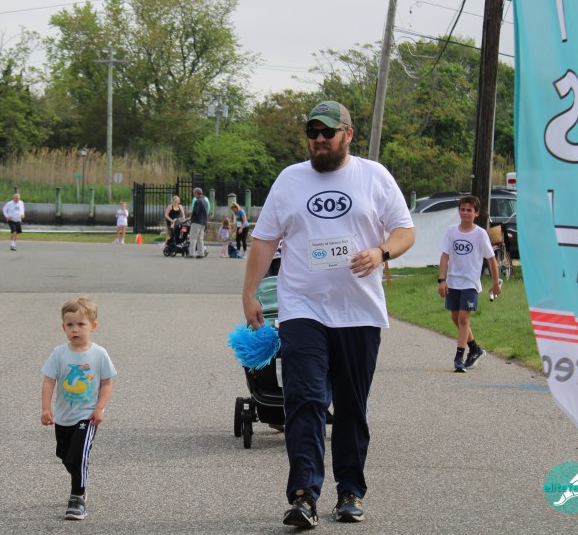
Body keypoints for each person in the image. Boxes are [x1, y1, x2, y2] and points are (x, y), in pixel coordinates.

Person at [242, 100, 415, 528]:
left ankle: (350, 492)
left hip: (359, 312)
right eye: (312, 133)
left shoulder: (374, 176)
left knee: (352, 406)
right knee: (305, 399)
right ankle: (304, 495)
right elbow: (265, 240)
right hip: (302, 308)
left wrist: (381, 252)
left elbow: (405, 230)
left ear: (347, 134)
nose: (319, 139)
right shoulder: (290, 179)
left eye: (328, 132)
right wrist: (249, 292)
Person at [40, 296, 117, 521]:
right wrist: (46, 408)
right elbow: (48, 381)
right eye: (70, 325)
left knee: (79, 454)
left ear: (93, 326)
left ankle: (77, 497)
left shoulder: (99, 354)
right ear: (63, 327)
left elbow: (107, 383)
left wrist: (100, 408)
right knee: (65, 455)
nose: (75, 329)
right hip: (64, 416)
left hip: (87, 415)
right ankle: (79, 478)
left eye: (81, 324)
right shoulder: (59, 353)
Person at [438, 195, 501, 373]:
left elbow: (491, 258)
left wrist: (495, 282)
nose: (465, 213)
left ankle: (459, 357)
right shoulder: (451, 231)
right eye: (462, 210)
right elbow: (445, 256)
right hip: (453, 281)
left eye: (469, 210)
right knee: (455, 317)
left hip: (470, 282)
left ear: (476, 213)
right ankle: (475, 349)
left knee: (464, 318)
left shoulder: (480, 234)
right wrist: (442, 279)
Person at [188, 187, 208, 258]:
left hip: (196, 221)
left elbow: (196, 212)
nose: (194, 195)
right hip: (203, 222)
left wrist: (191, 212)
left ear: (196, 193)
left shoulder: (197, 201)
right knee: (200, 238)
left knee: (193, 238)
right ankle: (201, 254)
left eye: (194, 193)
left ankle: (191, 254)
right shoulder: (204, 201)